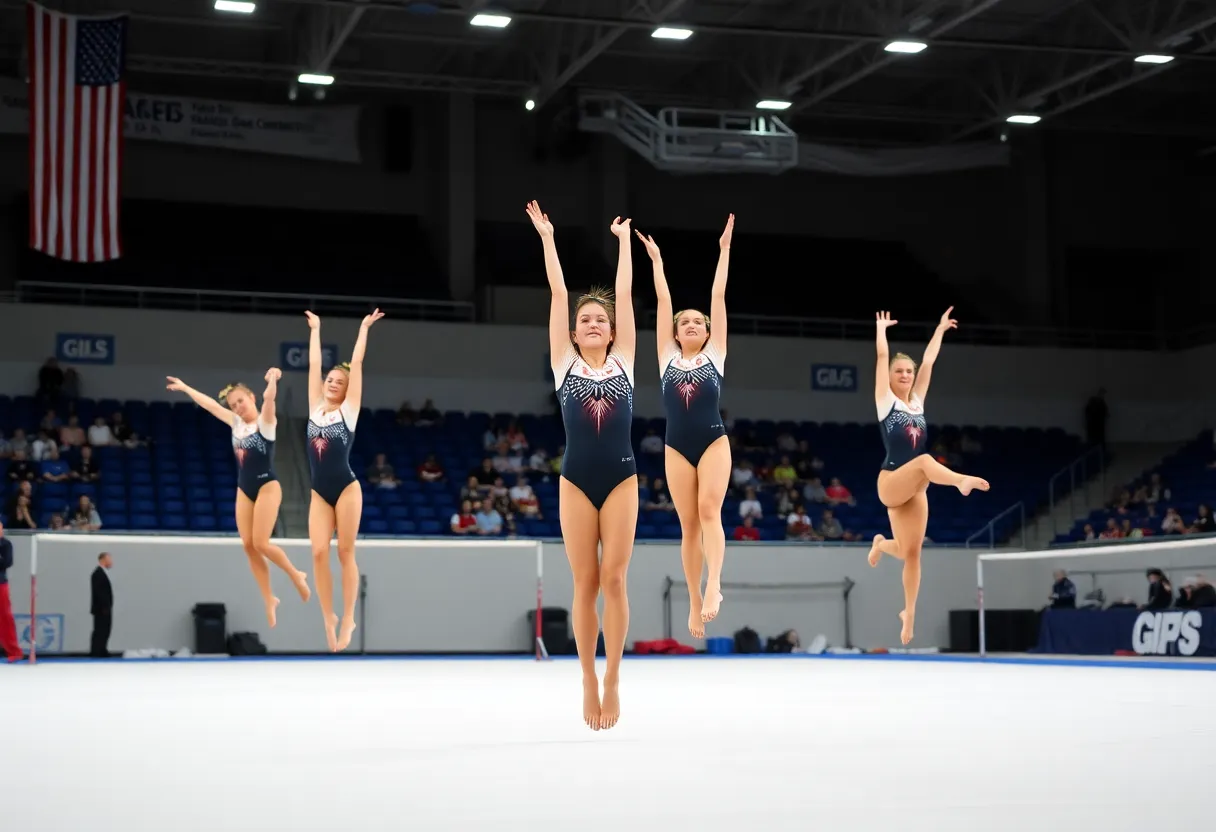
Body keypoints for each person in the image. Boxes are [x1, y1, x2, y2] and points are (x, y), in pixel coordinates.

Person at [526, 199, 637, 731]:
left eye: (601, 320)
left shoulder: (626, 362)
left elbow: (627, 295)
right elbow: (557, 293)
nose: (593, 323)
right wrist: (549, 239)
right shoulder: (563, 364)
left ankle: (613, 676)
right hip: (574, 481)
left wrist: (623, 245)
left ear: (612, 332)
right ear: (573, 333)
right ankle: (588, 676)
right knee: (585, 581)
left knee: (615, 579)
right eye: (585, 320)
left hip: (621, 480)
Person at [635, 214, 734, 639]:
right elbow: (662, 301)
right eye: (684, 322)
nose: (691, 324)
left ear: (708, 332)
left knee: (709, 510)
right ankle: (694, 598)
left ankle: (715, 584)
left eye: (698, 322)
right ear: (675, 333)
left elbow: (718, 294)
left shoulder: (715, 354)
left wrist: (724, 250)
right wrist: (656, 262)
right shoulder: (666, 357)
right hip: (676, 445)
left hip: (712, 441)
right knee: (688, 525)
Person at [868, 308, 989, 645]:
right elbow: (881, 356)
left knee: (911, 552)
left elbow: (930, 362)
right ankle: (959, 480)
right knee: (923, 460)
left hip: (916, 488)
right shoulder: (885, 401)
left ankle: (908, 612)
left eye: (909, 371)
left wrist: (939, 330)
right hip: (892, 482)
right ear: (890, 376)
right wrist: (881, 331)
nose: (905, 375)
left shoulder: (918, 402)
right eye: (899, 371)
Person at [167, 369, 310, 627]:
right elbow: (211, 406)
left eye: (240, 401)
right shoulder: (236, 424)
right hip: (244, 489)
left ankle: (295, 574)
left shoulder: (266, 423)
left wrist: (273, 380)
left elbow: (270, 399)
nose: (238, 408)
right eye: (233, 405)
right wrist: (186, 388)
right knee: (248, 547)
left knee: (261, 543)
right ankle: (269, 598)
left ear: (251, 397)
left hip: (267, 486)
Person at [305, 308, 384, 652]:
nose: (333, 383)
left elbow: (358, 362)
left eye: (340, 381)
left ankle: (349, 616)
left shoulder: (348, 411)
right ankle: (328, 615)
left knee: (344, 551)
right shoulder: (314, 406)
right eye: (330, 379)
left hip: (347, 489)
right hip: (319, 493)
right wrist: (316, 330)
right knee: (318, 552)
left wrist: (364, 328)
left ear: (348, 389)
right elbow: (313, 365)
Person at [0, 522, 22, 662]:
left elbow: (7, 562)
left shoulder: (6, 544)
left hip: (1, 584)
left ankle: (14, 651)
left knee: (5, 618)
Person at [90, 552, 114, 658]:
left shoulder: (103, 573)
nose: (111, 562)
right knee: (100, 630)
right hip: (101, 609)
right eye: (109, 559)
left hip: (105, 608)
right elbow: (98, 592)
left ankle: (102, 649)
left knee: (105, 630)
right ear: (102, 560)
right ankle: (96, 651)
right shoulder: (97, 574)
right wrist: (104, 607)